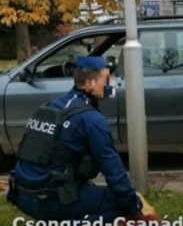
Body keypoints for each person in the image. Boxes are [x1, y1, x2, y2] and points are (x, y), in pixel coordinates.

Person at [7, 57, 143, 222]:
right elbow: (114, 173)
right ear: (91, 83)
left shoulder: (51, 106)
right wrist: (135, 209)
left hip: (22, 194)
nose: (112, 85)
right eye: (107, 79)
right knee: (121, 205)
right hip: (48, 200)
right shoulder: (92, 120)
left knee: (88, 189)